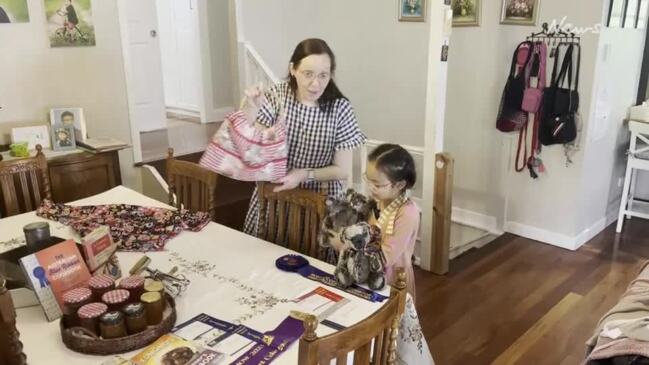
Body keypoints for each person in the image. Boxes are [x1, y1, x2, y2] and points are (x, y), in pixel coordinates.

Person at [243, 38, 367, 237]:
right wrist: (251, 106)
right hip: (275, 197)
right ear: (293, 69)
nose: (315, 84)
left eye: (323, 75)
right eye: (307, 74)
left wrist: (305, 174)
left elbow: (342, 170)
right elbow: (253, 148)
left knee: (313, 260)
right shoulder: (277, 95)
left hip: (320, 200)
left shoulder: (340, 108)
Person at [363, 144, 419, 301]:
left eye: (377, 184)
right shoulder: (378, 201)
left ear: (400, 185)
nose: (371, 187)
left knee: (390, 322)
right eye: (368, 180)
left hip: (393, 279)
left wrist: (345, 246)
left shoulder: (407, 212)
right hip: (371, 272)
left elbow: (387, 257)